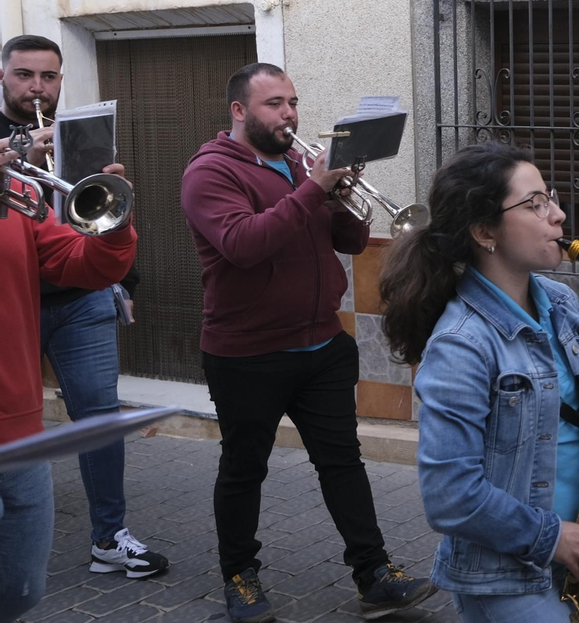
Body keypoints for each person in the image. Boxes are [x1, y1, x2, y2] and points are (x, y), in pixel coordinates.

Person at [179, 63, 436, 622]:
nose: (289, 114)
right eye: (274, 104)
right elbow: (243, 244)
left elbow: (351, 240)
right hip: (247, 352)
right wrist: (313, 190)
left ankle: (373, 573)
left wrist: (338, 195)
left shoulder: (300, 165)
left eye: (292, 102)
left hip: (321, 344)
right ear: (239, 111)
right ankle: (241, 578)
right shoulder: (210, 172)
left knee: (343, 463)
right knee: (244, 469)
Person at [379, 144, 579, 622]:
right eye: (534, 204)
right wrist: (551, 537)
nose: (558, 214)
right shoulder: (461, 345)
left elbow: (570, 390)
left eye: (549, 197)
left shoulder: (559, 299)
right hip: (507, 574)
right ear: (484, 232)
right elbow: (449, 496)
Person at [0, 35, 165, 578]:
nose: (37, 87)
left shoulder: (78, 132)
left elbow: (99, 207)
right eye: (25, 75)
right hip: (19, 303)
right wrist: (23, 163)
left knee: (98, 418)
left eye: (48, 77)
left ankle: (109, 538)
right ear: (2, 76)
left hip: (79, 297)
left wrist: (124, 279)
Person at [0, 142, 138, 622]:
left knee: (21, 590)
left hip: (19, 428)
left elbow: (84, 264)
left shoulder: (17, 193)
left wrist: (113, 223)